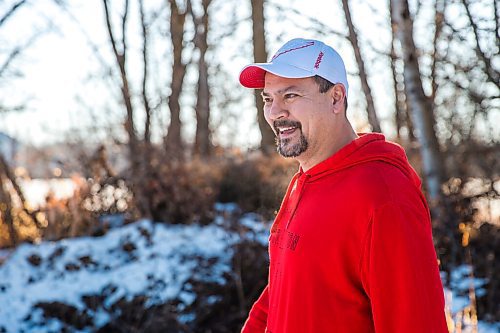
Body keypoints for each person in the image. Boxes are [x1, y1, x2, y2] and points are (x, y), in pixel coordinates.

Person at [238, 38, 448, 333]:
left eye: (290, 96)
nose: (275, 113)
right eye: (268, 99)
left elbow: (416, 323)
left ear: (336, 98)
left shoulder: (384, 196)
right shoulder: (305, 181)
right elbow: (284, 290)